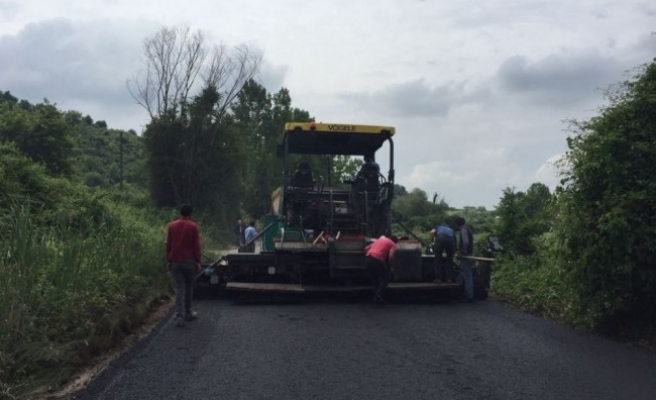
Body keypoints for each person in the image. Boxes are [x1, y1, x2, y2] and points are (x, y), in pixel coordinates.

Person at [166, 204, 202, 327]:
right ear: (190, 214)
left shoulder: (172, 226)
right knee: (189, 288)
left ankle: (178, 316)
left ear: (180, 213)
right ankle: (188, 313)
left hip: (175, 262)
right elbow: (196, 246)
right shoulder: (193, 226)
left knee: (180, 288)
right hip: (189, 262)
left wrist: (169, 260)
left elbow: (169, 245)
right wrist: (198, 261)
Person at [364, 235, 398, 305]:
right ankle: (378, 296)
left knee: (375, 278)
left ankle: (375, 295)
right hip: (377, 259)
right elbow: (391, 256)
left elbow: (366, 248)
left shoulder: (379, 240)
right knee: (386, 278)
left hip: (368, 259)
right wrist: (391, 266)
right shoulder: (393, 244)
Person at [455, 216, 474, 302]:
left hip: (466, 255)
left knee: (467, 275)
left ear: (457, 224)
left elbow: (465, 242)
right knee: (463, 273)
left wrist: (462, 252)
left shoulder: (463, 230)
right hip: (469, 253)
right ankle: (461, 291)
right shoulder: (467, 228)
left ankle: (469, 295)